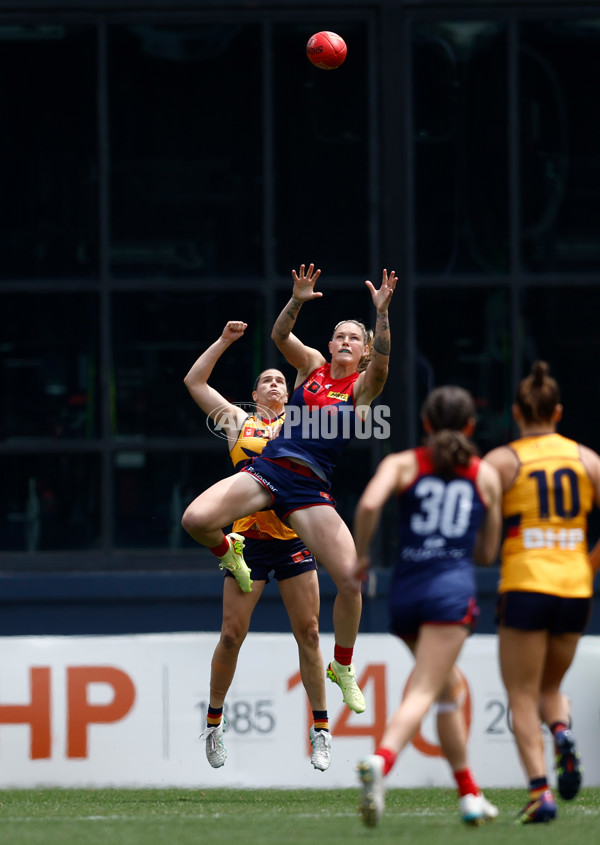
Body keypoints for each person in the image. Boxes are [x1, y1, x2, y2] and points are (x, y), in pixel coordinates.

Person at [182, 262, 396, 714]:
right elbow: (280, 336)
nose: (344, 341)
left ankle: (343, 666)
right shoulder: (313, 366)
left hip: (309, 488)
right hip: (270, 470)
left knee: (351, 581)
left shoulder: (361, 388)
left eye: (353, 338)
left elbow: (382, 366)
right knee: (195, 520)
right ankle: (230, 552)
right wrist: (296, 301)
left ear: (363, 350)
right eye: (339, 335)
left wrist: (381, 313)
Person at [184, 321, 332, 772]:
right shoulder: (238, 422)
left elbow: (317, 371)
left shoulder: (302, 422)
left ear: (290, 393)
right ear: (254, 392)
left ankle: (321, 729)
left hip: (292, 537)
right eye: (266, 380)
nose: (274, 384)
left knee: (309, 633)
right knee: (232, 634)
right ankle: (214, 722)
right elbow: (195, 382)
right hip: (247, 542)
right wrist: (223, 341)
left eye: (280, 380)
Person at [352, 385, 502, 827]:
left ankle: (469, 795)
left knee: (448, 689)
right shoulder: (484, 474)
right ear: (471, 426)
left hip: (406, 590)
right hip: (449, 591)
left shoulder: (402, 463)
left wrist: (361, 556)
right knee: (425, 688)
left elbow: (368, 504)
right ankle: (382, 760)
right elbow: (487, 553)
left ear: (426, 423)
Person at [484, 360, 600, 823]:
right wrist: (587, 567)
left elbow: (482, 527)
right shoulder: (588, 460)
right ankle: (562, 733)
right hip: (575, 589)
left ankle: (540, 793)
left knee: (521, 694)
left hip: (526, 584)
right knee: (550, 686)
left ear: (516, 413)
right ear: (558, 413)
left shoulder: (502, 461)